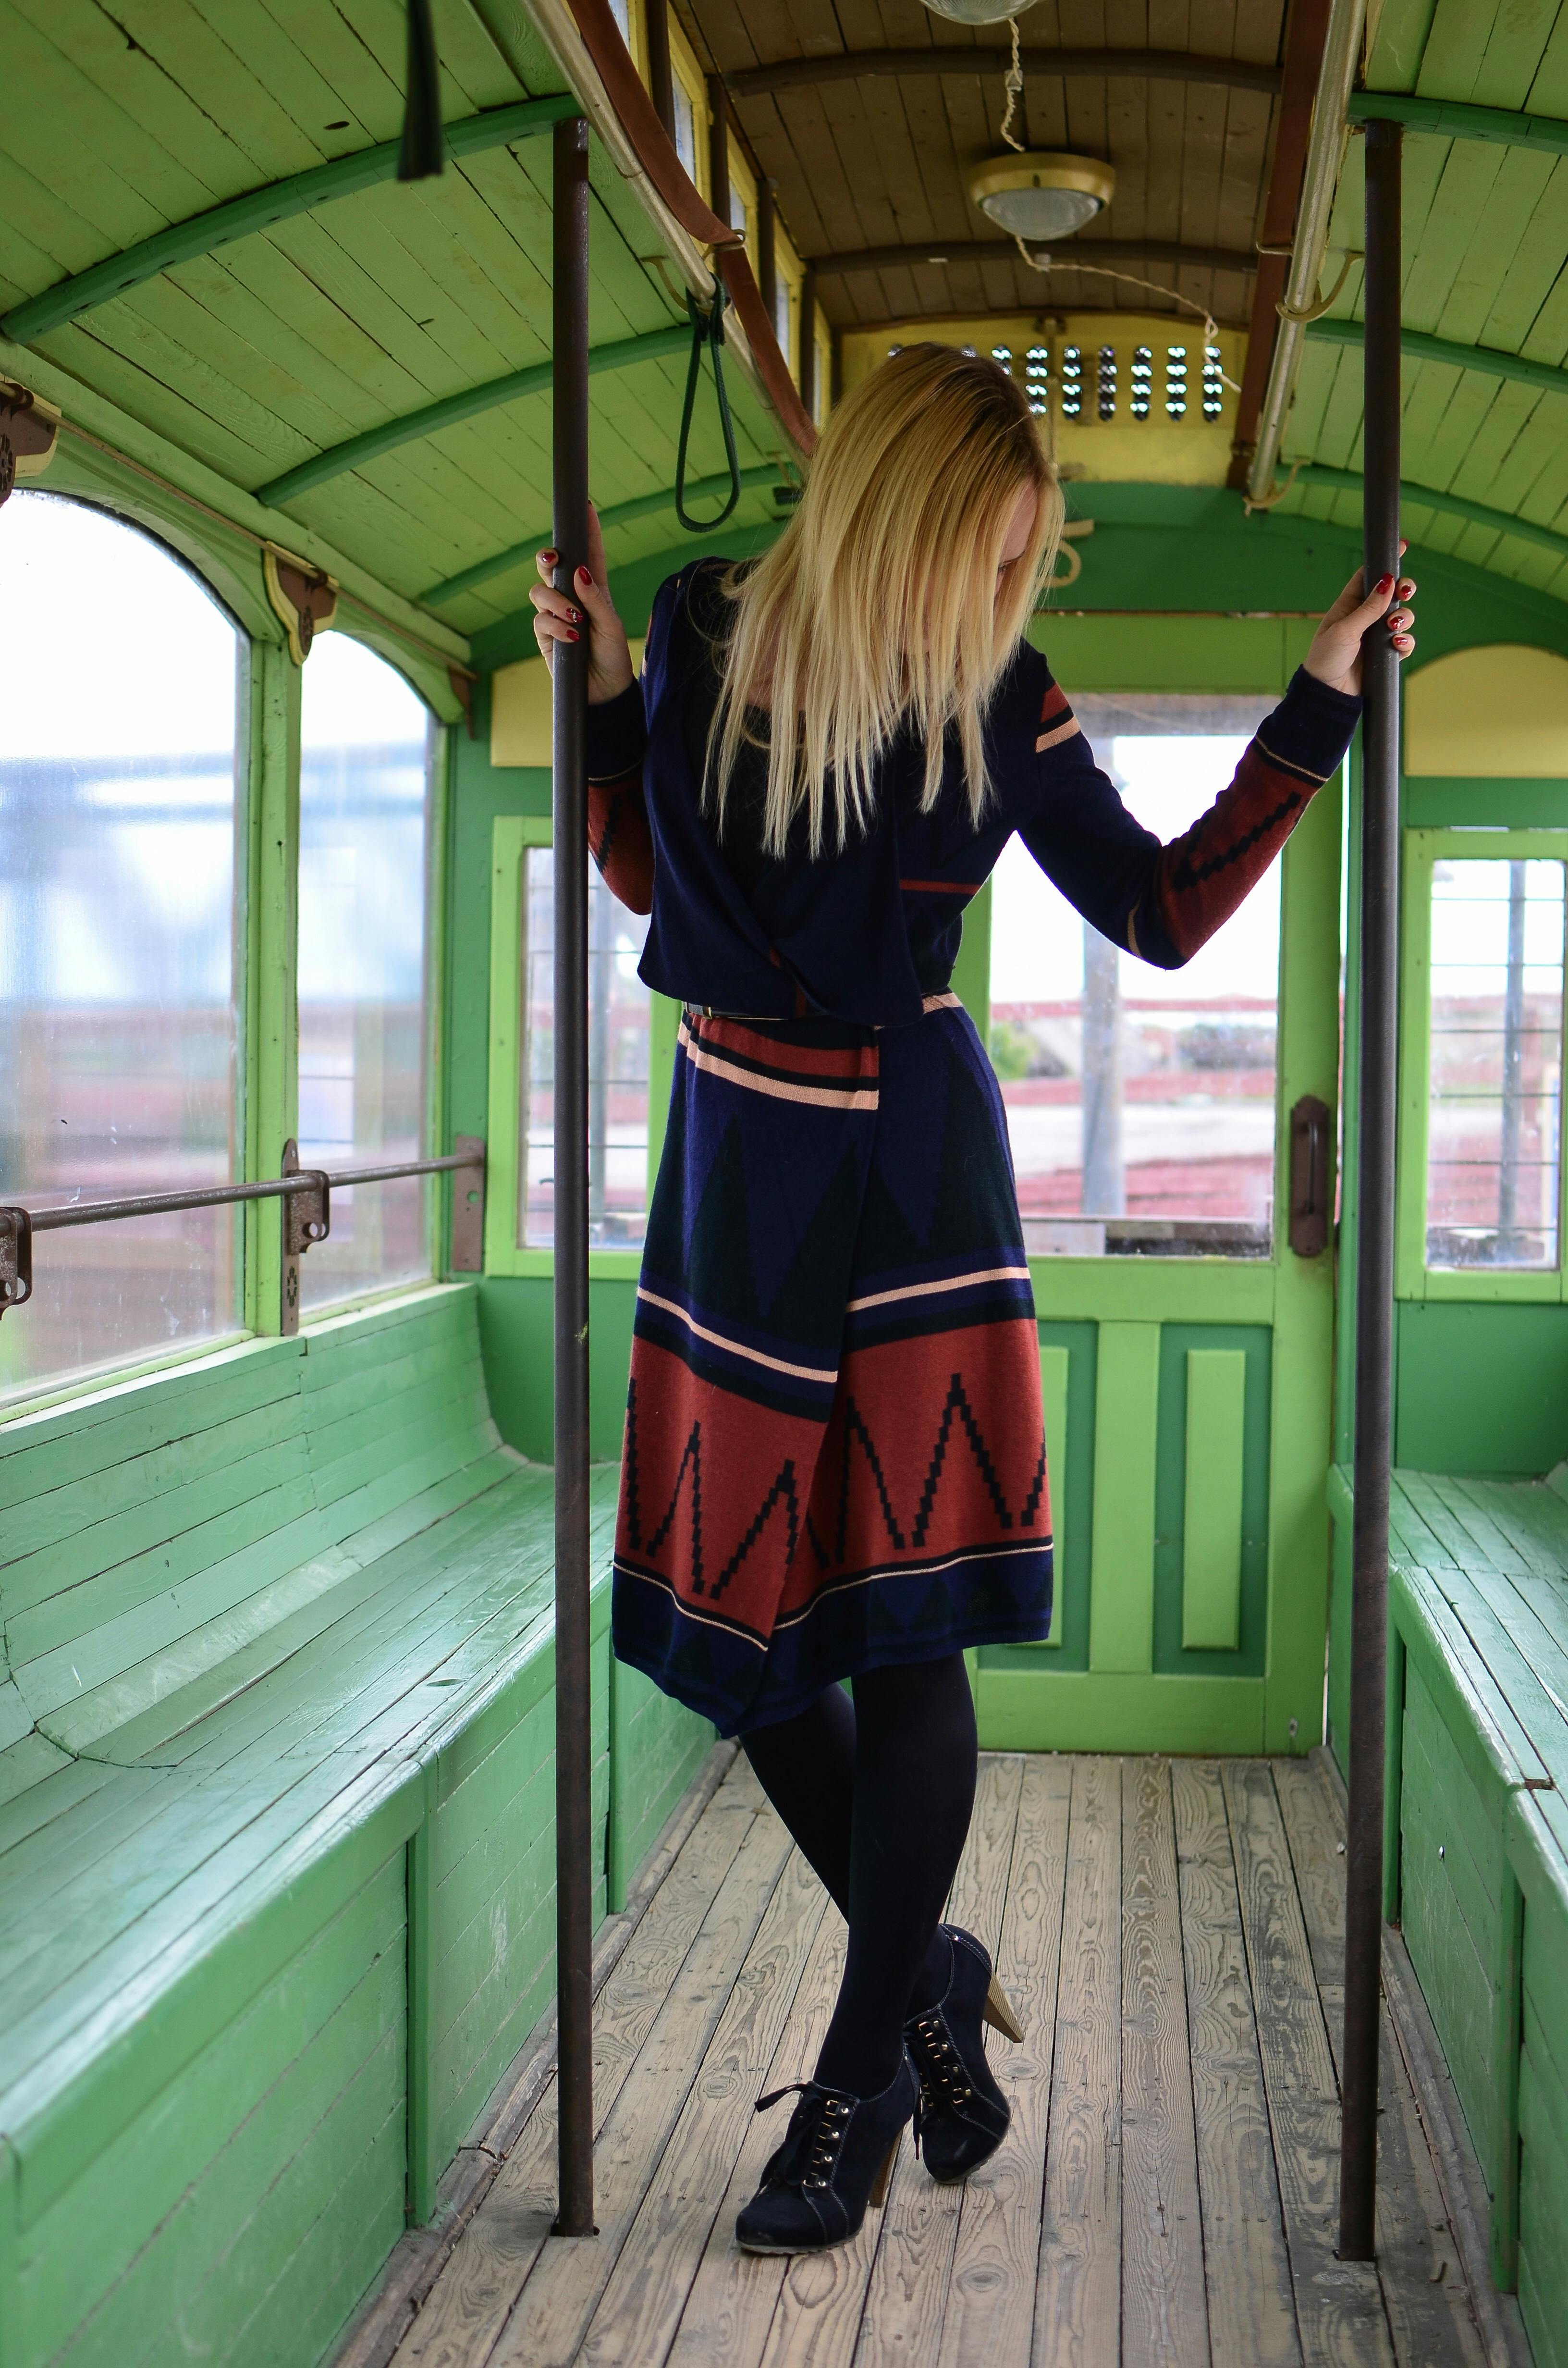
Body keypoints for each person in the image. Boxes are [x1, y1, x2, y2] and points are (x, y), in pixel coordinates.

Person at [530, 342, 1415, 2257]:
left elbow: (1166, 908)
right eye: (986, 558)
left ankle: (848, 2099)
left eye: (1020, 572)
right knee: (735, 1647)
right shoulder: (697, 623)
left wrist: (1321, 700)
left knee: (910, 1642)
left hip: (919, 1177)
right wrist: (600, 687)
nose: (999, 603)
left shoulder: (999, 701)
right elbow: (638, 866)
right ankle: (931, 1968)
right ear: (898, 516)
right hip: (740, 1169)